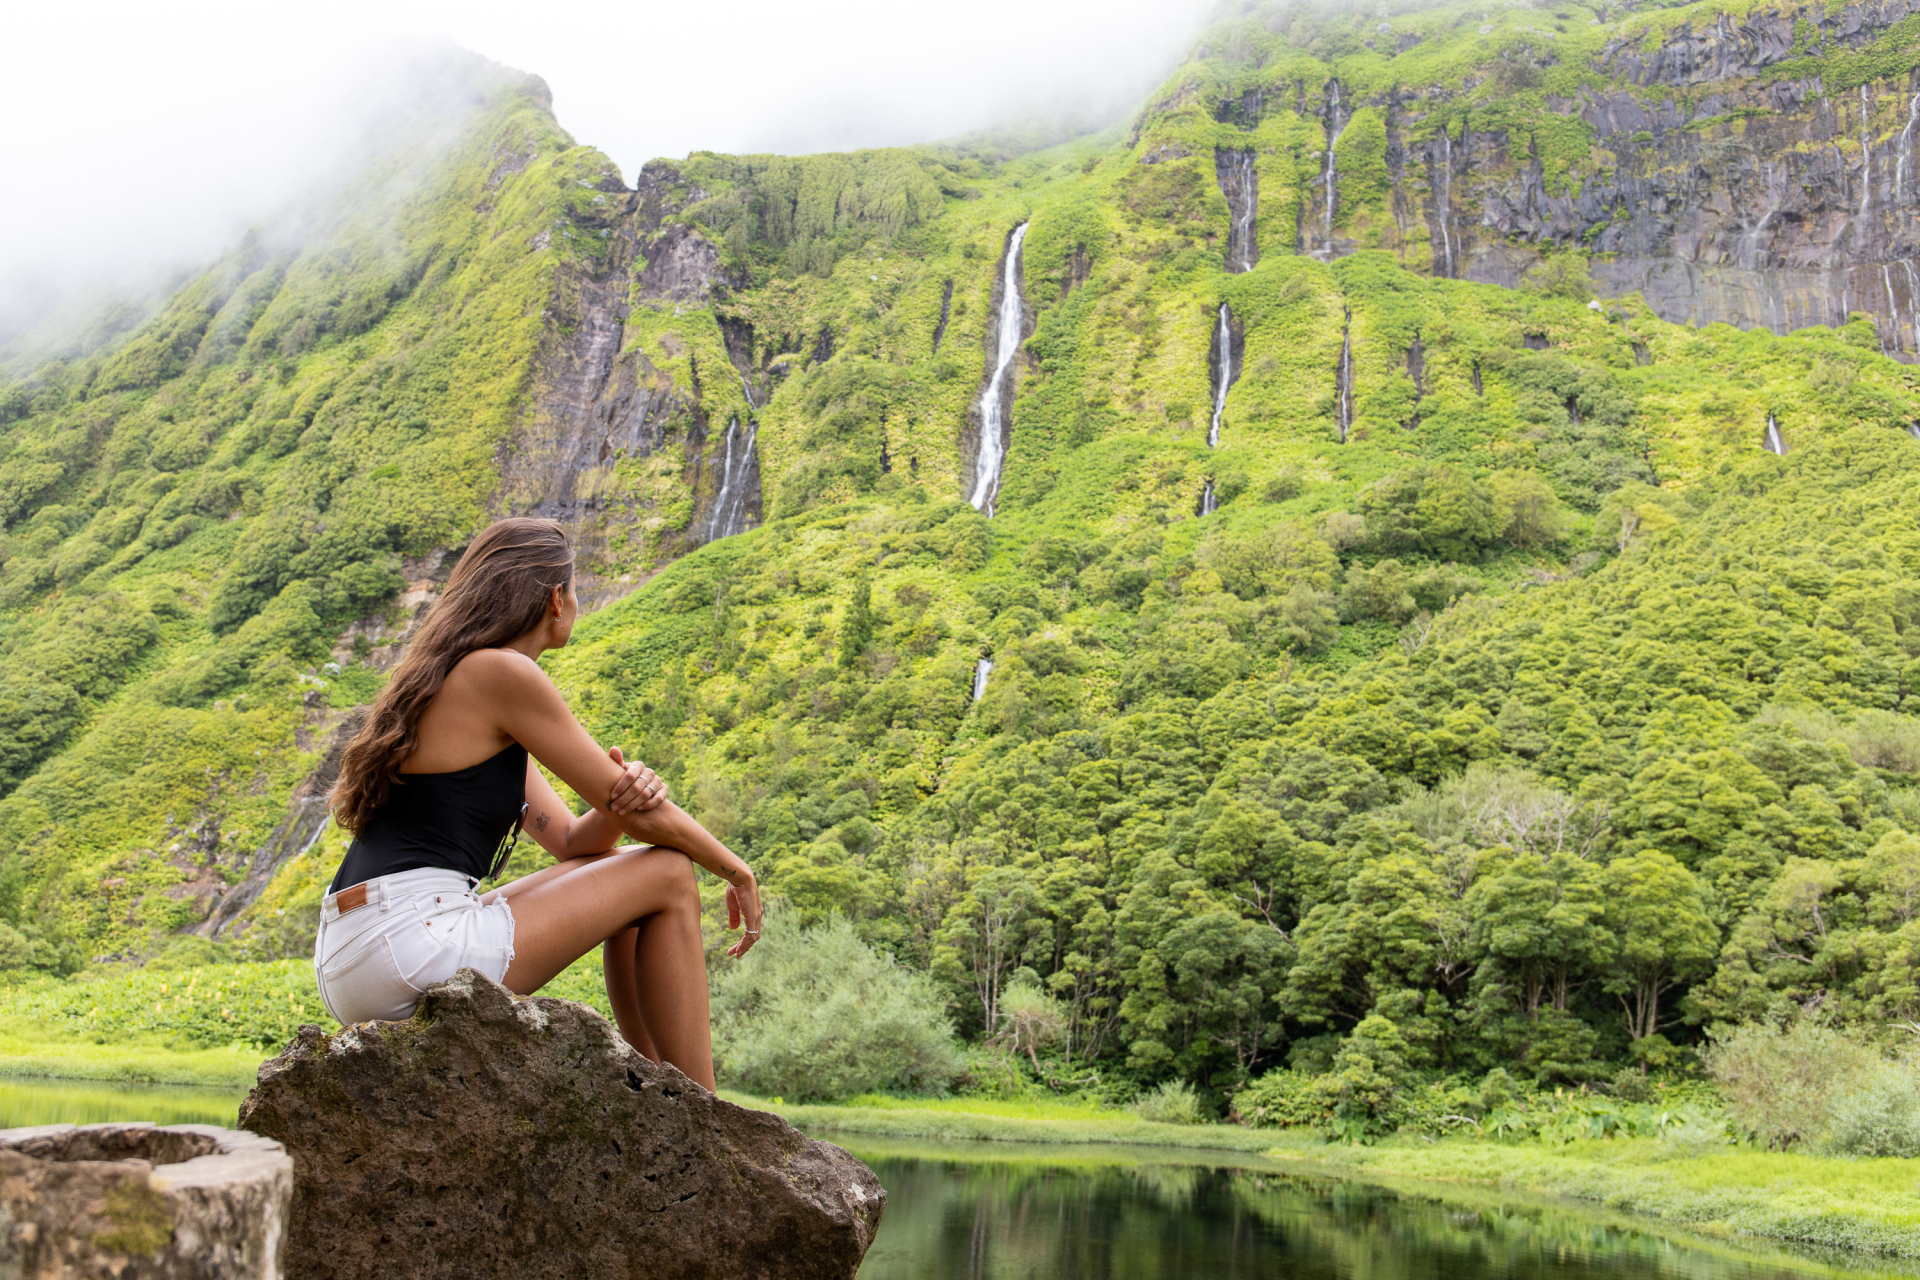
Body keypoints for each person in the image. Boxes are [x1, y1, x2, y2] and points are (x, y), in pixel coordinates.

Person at [315, 517, 761, 1090]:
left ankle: (663, 1096)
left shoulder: (458, 682)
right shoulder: (501, 672)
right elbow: (650, 833)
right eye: (576, 589)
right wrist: (735, 869)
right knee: (671, 872)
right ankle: (705, 1116)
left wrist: (623, 796)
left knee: (625, 878)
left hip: (362, 947)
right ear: (555, 598)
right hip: (407, 941)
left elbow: (574, 844)